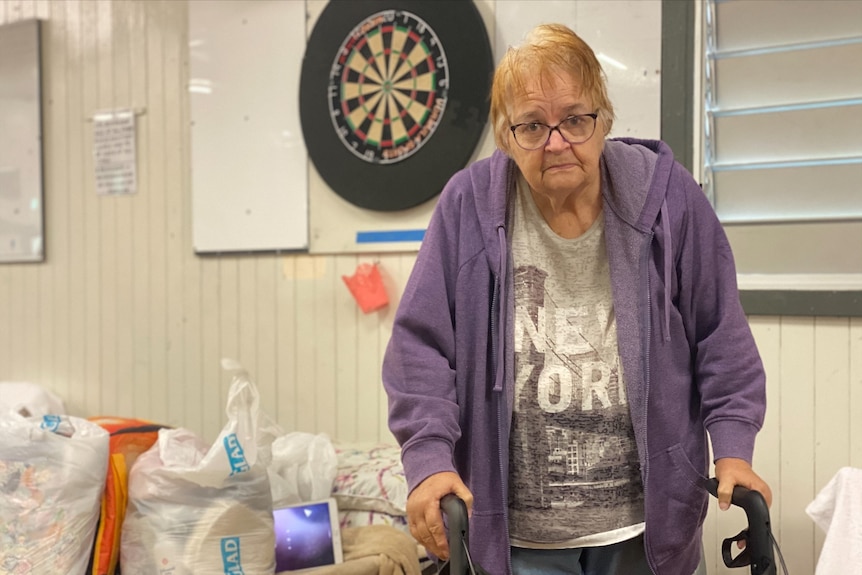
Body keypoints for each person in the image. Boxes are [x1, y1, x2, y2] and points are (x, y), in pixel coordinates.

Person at [382, 23, 771, 575]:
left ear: (604, 118)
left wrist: (732, 448)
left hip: (648, 531)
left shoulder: (667, 198)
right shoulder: (467, 207)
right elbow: (419, 350)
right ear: (505, 136)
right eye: (533, 125)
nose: (557, 141)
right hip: (517, 540)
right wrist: (427, 460)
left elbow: (720, 334)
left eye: (574, 119)